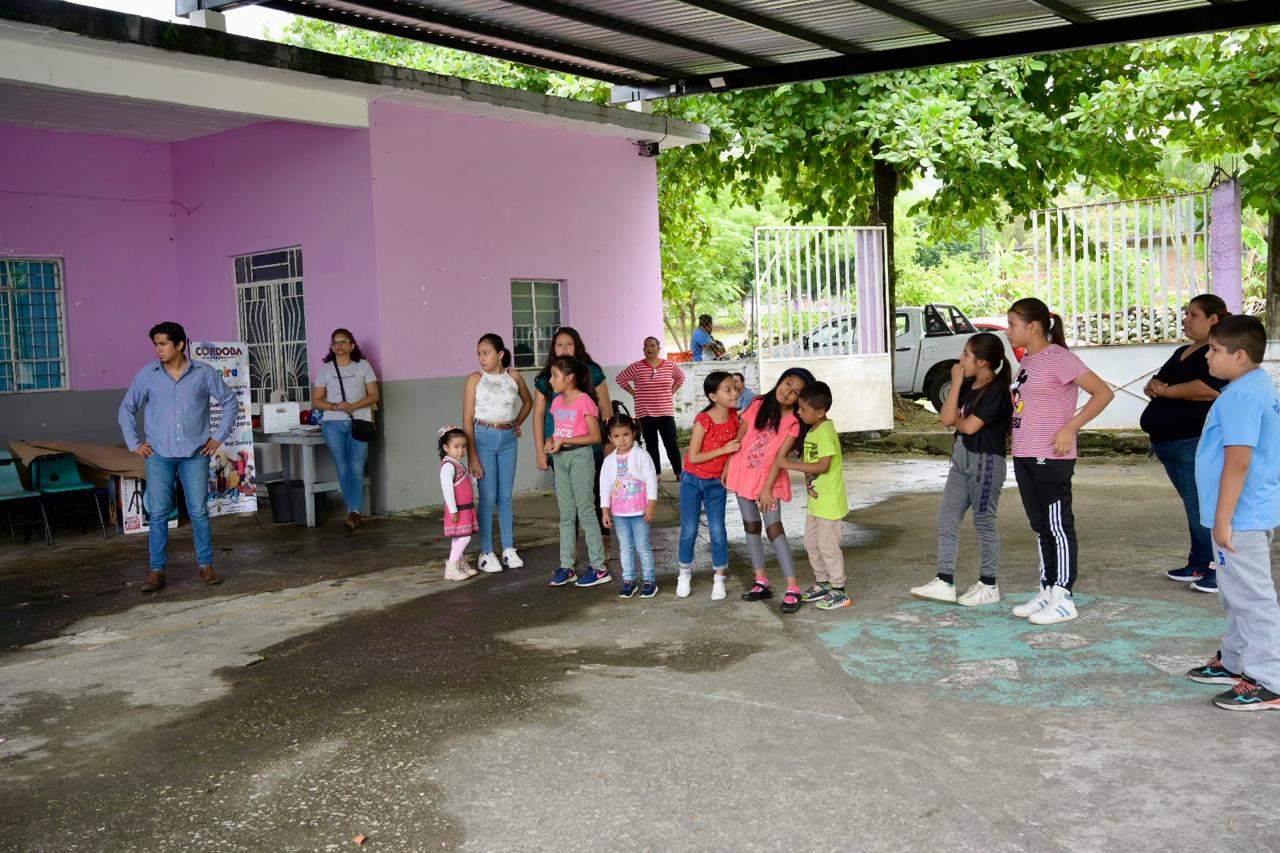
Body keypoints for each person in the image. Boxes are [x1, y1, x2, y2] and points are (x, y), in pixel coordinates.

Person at [1187, 316, 1280, 711]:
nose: (1207, 356)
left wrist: (1223, 519)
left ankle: (1268, 680)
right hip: (1244, 510)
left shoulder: (1242, 396)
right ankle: (1236, 659)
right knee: (1235, 593)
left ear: (1239, 356)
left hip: (1240, 515)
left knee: (1252, 597)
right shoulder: (1253, 386)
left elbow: (1238, 461)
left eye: (1215, 350)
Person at [1005, 298, 1114, 625]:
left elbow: (1103, 393)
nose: (1008, 331)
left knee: (1057, 525)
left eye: (1012, 324)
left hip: (1050, 455)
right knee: (1040, 527)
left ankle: (1064, 596)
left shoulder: (1059, 358)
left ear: (1033, 326)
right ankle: (1047, 589)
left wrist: (1071, 428)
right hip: (1025, 453)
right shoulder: (1029, 362)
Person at [118, 321, 238, 594]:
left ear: (180, 344)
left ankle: (206, 566)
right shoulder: (147, 375)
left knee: (198, 511)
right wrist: (134, 443)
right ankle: (156, 571)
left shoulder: (204, 373)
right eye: (155, 345)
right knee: (159, 514)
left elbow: (230, 402)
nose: (157, 350)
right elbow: (126, 408)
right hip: (159, 455)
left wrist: (218, 436)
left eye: (163, 344)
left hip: (195, 455)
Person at [910, 333, 1014, 606]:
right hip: (961, 458)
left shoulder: (997, 391)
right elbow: (947, 419)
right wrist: (956, 384)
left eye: (966, 355)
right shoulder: (968, 385)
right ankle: (945, 580)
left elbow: (968, 426)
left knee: (984, 521)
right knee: (947, 517)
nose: (961, 359)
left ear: (982, 361)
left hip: (985, 462)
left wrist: (959, 413)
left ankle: (989, 584)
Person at [1139, 295, 1230, 592]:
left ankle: (1218, 569)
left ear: (1214, 319)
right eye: (1185, 314)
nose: (1186, 319)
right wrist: (1160, 388)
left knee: (1201, 507)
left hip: (1193, 442)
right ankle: (1199, 562)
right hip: (1169, 443)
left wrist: (1166, 391)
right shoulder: (1183, 351)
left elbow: (1206, 389)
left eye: (1193, 315)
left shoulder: (1218, 354)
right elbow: (1156, 382)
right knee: (1192, 506)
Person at [724, 367, 815, 614]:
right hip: (742, 474)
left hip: (769, 482)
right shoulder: (758, 403)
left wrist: (766, 489)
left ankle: (793, 588)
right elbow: (740, 435)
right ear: (780, 381)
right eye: (787, 384)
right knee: (750, 526)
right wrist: (728, 464)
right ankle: (761, 580)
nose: (787, 392)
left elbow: (780, 456)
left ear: (800, 399)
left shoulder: (794, 422)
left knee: (775, 530)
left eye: (795, 392)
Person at [773, 381, 852, 610]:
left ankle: (839, 590)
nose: (799, 412)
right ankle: (822, 583)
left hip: (829, 503)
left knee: (828, 546)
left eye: (803, 409)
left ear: (820, 412)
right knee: (811, 543)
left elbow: (823, 466)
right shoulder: (814, 430)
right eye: (799, 407)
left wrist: (789, 464)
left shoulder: (825, 432)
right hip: (817, 502)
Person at [463, 333, 533, 573]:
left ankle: (508, 548)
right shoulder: (475, 379)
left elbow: (528, 402)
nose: (482, 358)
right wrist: (472, 454)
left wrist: (516, 423)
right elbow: (467, 419)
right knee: (487, 496)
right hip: (483, 436)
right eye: (479, 354)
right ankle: (485, 551)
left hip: (508, 440)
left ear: (500, 354)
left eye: (486, 353)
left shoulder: (513, 376)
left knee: (505, 496)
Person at [533, 327, 612, 532]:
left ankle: (601, 552)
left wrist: (610, 443)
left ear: (577, 346)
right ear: (553, 349)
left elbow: (605, 409)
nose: (565, 348)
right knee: (568, 506)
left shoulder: (592, 372)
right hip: (558, 450)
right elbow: (538, 416)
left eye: (569, 343)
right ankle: (572, 554)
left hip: (590, 449)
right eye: (559, 344)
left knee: (594, 499)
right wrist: (541, 451)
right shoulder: (547, 378)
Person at [544, 356, 610, 588]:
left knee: (586, 512)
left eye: (554, 375)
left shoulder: (584, 401)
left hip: (580, 458)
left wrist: (564, 441)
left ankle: (599, 568)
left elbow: (595, 437)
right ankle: (567, 566)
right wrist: (550, 442)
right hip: (560, 458)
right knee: (566, 514)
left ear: (569, 378)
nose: (550, 380)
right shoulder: (556, 401)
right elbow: (557, 432)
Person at [676, 371, 741, 600]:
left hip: (716, 484)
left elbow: (738, 448)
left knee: (717, 530)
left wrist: (726, 467)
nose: (734, 392)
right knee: (690, 529)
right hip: (692, 480)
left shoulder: (736, 419)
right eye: (728, 389)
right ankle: (684, 574)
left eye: (735, 387)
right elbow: (693, 457)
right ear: (714, 396)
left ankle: (719, 578)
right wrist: (724, 451)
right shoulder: (703, 420)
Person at [312, 328, 380, 531]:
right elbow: (317, 401)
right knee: (342, 468)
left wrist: (354, 406)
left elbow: (374, 395)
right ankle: (352, 509)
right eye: (335, 342)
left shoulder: (363, 366)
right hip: (333, 424)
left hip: (360, 421)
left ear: (352, 345)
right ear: (332, 347)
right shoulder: (326, 369)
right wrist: (334, 406)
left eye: (344, 341)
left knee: (356, 468)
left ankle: (355, 511)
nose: (339, 345)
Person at [599, 414, 659, 598]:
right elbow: (605, 486)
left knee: (642, 545)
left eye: (625, 434)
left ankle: (649, 580)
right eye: (616, 436)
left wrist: (651, 505)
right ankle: (629, 580)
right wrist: (605, 510)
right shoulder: (609, 461)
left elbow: (651, 480)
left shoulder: (641, 455)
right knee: (625, 546)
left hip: (640, 510)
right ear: (610, 437)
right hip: (619, 512)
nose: (621, 440)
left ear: (633, 433)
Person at [615, 337, 685, 479]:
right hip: (645, 413)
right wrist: (634, 393)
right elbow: (620, 378)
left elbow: (681, 378)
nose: (649, 349)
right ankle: (656, 473)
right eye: (646, 346)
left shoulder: (669, 366)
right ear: (643, 350)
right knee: (652, 444)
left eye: (653, 346)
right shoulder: (637, 367)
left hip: (665, 412)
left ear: (659, 348)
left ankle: (679, 472)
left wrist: (670, 392)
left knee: (671, 443)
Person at [438, 426, 479, 582]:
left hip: (465, 508)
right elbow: (447, 490)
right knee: (464, 537)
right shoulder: (448, 466)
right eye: (456, 447)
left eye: (463, 446)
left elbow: (465, 482)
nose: (461, 450)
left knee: (458, 538)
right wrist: (453, 510)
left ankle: (460, 564)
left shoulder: (457, 464)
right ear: (446, 447)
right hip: (458, 510)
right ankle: (452, 566)